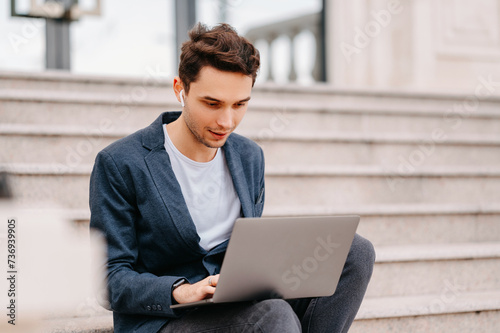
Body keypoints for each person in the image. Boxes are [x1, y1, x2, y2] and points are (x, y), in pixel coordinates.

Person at [89, 23, 375, 333]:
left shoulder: (249, 156)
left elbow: (248, 249)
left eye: (240, 104)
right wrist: (182, 290)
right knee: (274, 317)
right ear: (180, 90)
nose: (226, 121)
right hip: (167, 318)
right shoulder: (121, 162)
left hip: (236, 303)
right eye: (212, 104)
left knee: (355, 251)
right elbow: (109, 279)